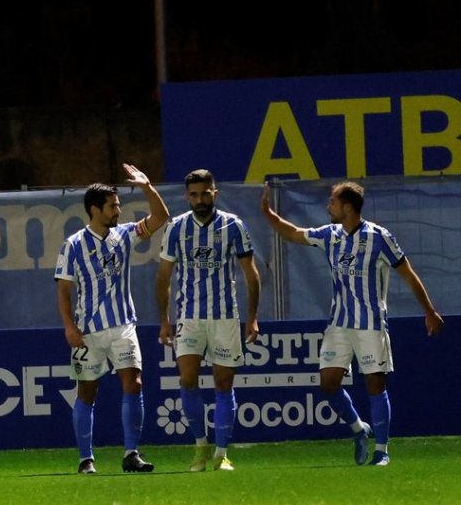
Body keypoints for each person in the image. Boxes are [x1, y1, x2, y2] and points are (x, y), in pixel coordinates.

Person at [260, 180, 443, 466]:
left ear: (346, 207)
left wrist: (429, 311)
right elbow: (294, 234)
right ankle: (359, 429)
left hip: (370, 322)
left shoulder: (379, 237)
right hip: (339, 324)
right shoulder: (330, 235)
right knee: (328, 383)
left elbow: (407, 274)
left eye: (332, 202)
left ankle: (382, 451)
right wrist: (268, 214)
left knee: (375, 384)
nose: (328, 207)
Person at [55, 165, 170, 474]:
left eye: (118, 205)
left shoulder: (124, 235)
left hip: (122, 325)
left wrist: (146, 186)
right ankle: (85, 459)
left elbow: (160, 218)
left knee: (133, 382)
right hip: (88, 331)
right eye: (113, 206)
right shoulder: (73, 245)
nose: (118, 210)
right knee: (87, 392)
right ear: (95, 210)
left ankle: (131, 453)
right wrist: (69, 326)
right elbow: (64, 290)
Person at [156, 169, 260, 472]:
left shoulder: (233, 226)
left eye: (205, 193)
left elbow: (250, 273)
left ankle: (222, 453)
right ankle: (200, 448)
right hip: (189, 317)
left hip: (225, 316)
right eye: (194, 194)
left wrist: (252, 317)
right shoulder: (176, 228)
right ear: (187, 196)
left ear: (214, 193)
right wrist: (164, 320)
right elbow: (163, 277)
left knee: (223, 383)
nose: (199, 199)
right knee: (187, 379)